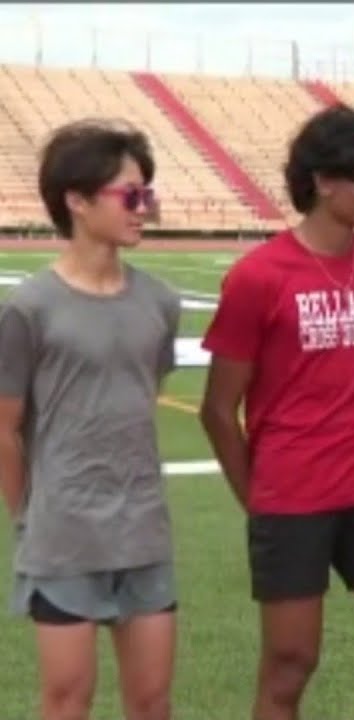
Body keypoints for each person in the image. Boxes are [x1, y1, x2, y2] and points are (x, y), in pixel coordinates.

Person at [197, 105, 354, 720]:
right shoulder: (258, 276)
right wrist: (258, 500)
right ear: (324, 181)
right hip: (290, 497)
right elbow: (218, 410)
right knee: (289, 667)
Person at [0, 120, 180, 720]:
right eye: (131, 195)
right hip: (65, 537)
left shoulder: (160, 303)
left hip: (143, 532)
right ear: (77, 201)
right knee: (67, 701)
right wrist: (30, 518)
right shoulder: (30, 307)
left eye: (146, 194)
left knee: (152, 703)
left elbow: (139, 397)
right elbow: (6, 429)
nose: (143, 208)